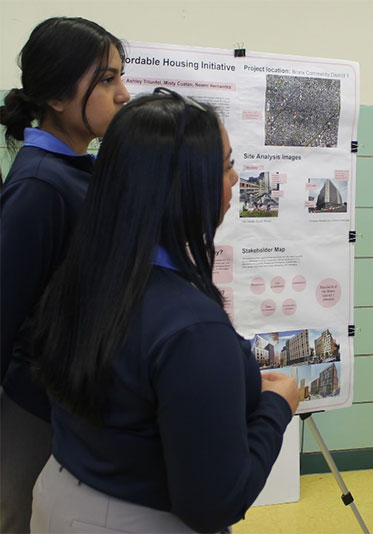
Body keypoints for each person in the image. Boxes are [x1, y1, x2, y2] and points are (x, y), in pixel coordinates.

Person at [28, 89, 300, 532]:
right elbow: (214, 502)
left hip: (59, 494)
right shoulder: (191, 328)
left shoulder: (87, 273)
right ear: (185, 184)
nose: (236, 179)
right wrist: (276, 407)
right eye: (227, 164)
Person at [0, 17, 129, 533]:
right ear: (55, 96)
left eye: (120, 76)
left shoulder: (83, 170)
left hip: (73, 400)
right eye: (106, 79)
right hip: (33, 406)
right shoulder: (38, 186)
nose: (123, 93)